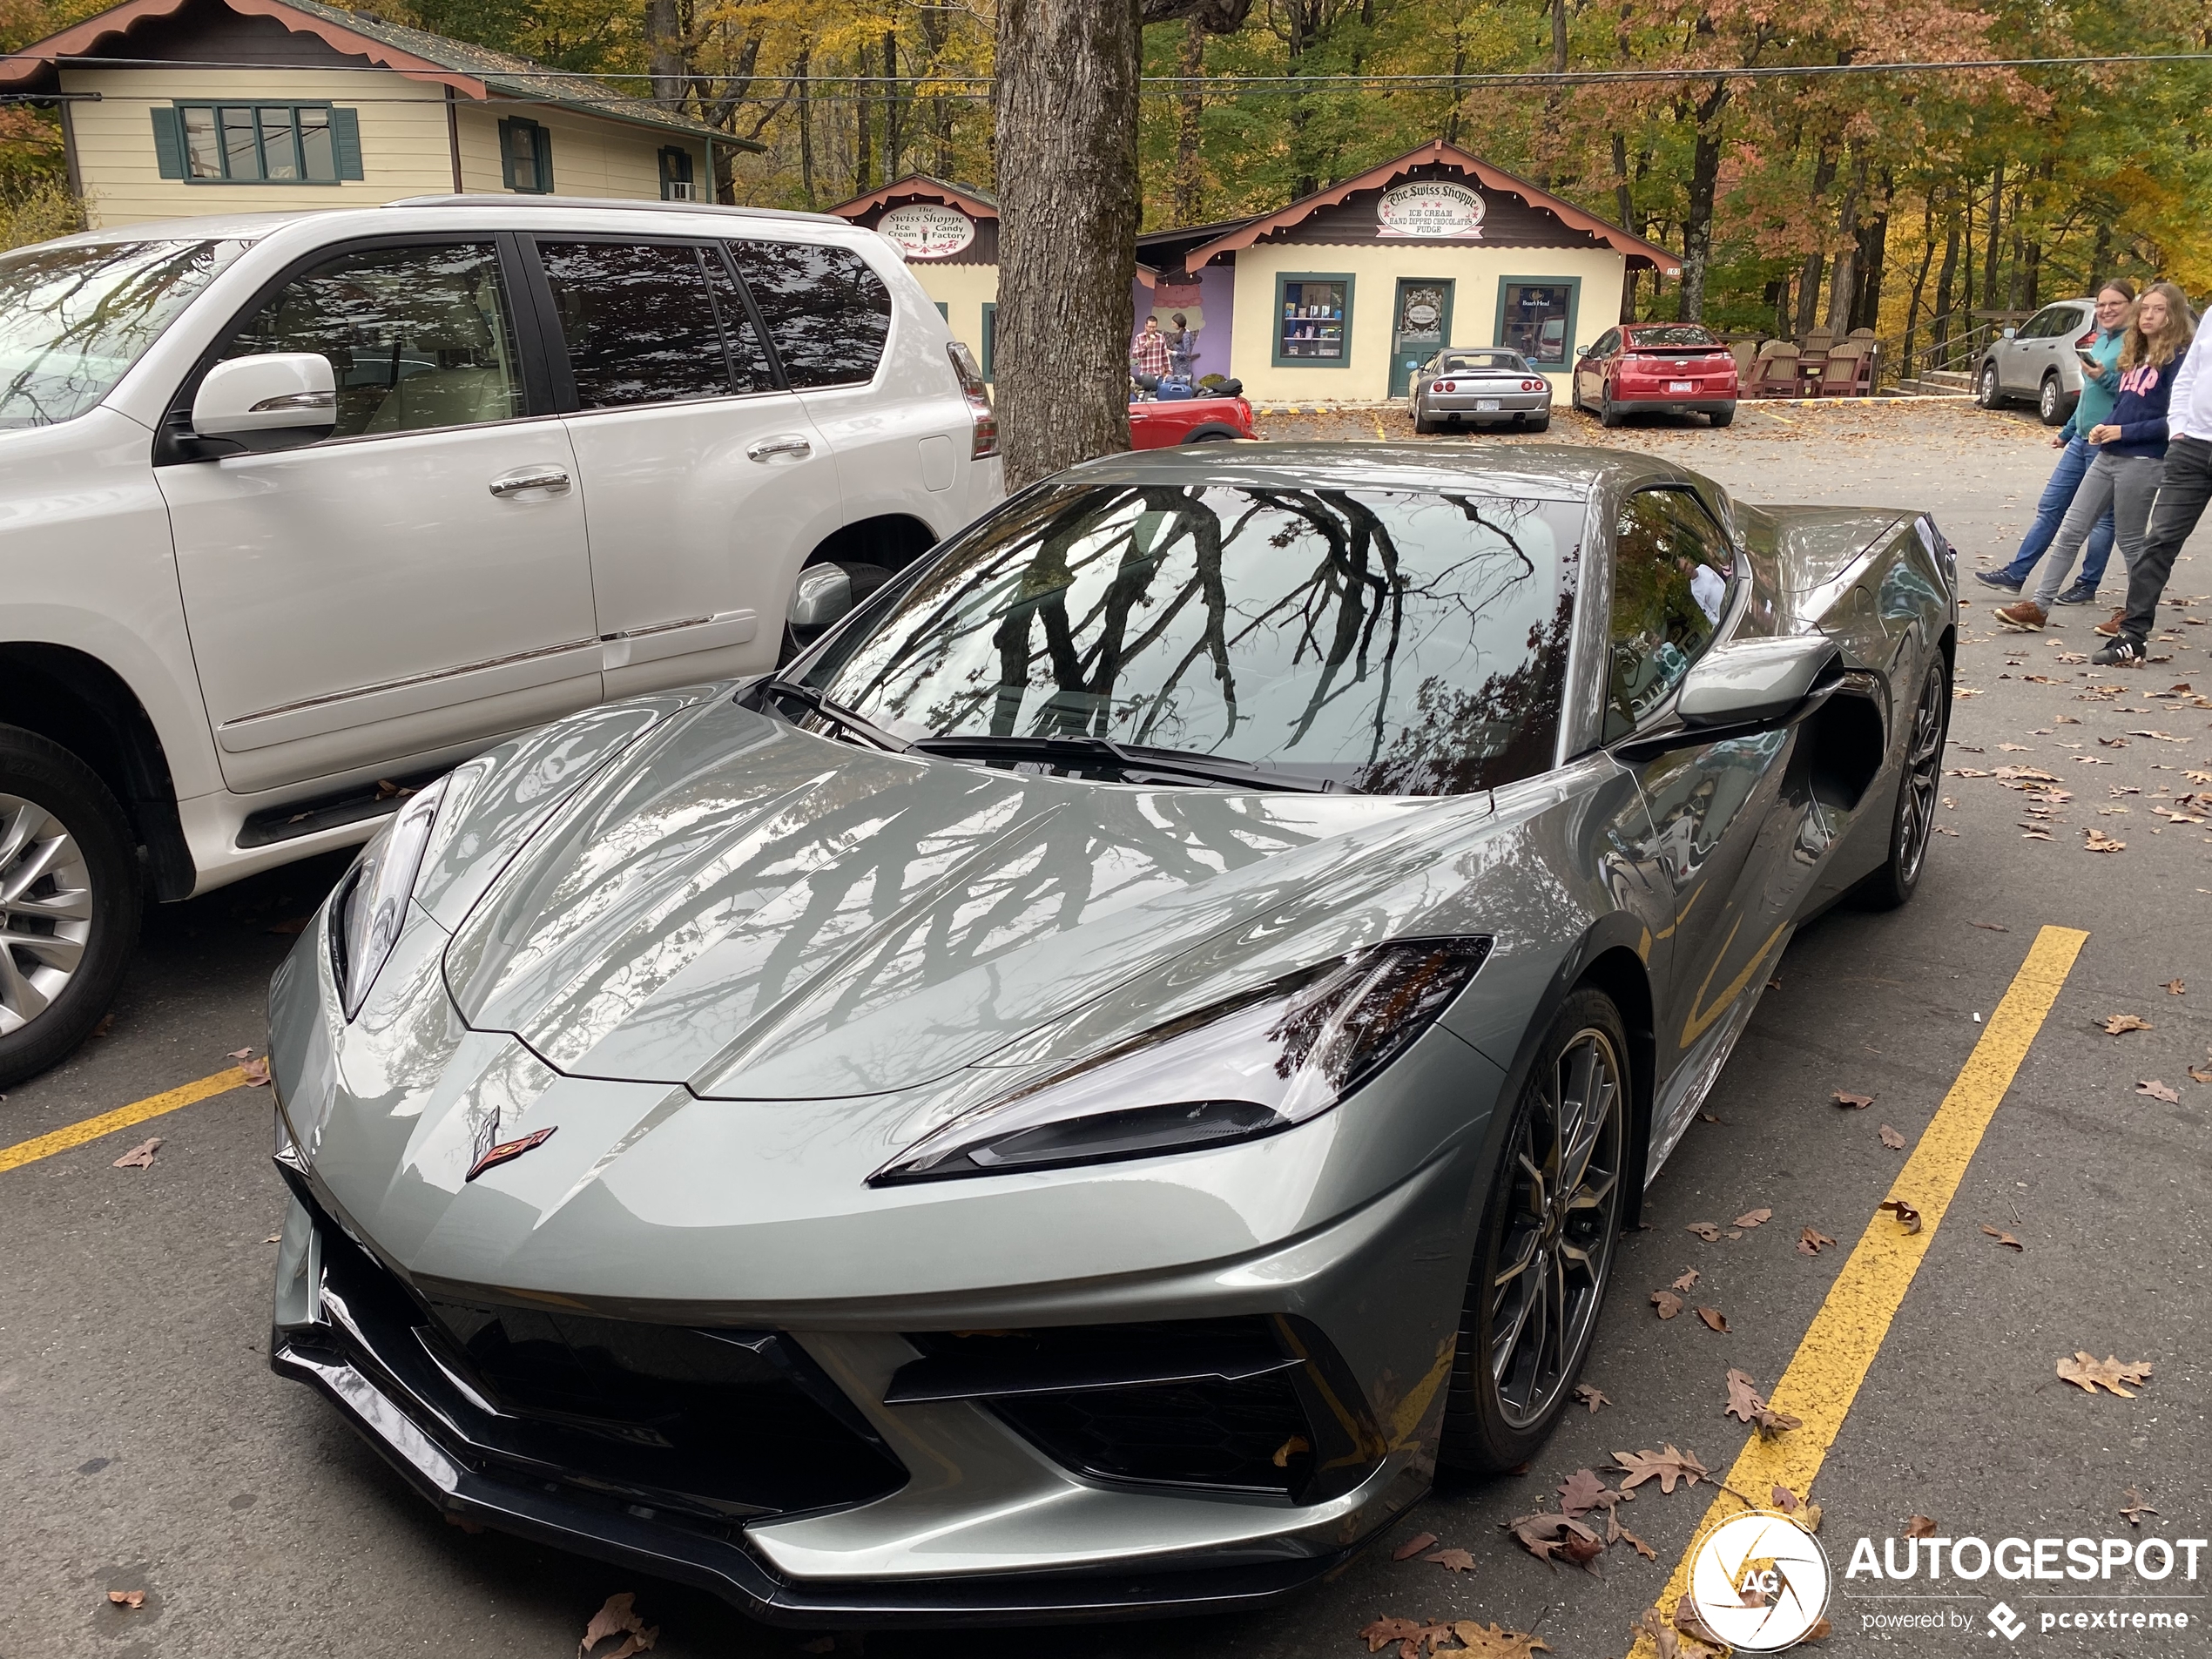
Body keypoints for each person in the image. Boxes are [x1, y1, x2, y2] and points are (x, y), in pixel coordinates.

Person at [1995, 282, 2193, 631]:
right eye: (2145, 308)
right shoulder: (2137, 350)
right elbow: (2125, 403)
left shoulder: (2180, 359)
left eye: (2158, 309)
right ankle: (2039, 607)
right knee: (2072, 529)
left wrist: (2125, 432)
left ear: (2173, 314)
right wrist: (2107, 427)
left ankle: (2135, 615)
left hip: (2144, 461)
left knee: (2131, 540)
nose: (2148, 316)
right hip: (2108, 453)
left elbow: (2178, 420)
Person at [1973, 282, 2134, 602]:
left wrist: (2105, 377)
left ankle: (2087, 585)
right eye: (2101, 305)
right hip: (2081, 439)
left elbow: (2134, 396)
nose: (2106, 310)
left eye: (2114, 304)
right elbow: (2091, 394)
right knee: (2051, 507)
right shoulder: (2101, 339)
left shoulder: (2134, 346)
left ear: (2131, 305)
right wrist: (2069, 429)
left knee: (2102, 520)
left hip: (2109, 441)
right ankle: (2016, 573)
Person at [2094, 284, 2211, 665]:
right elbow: (2190, 377)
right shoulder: (2210, 318)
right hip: (2192, 446)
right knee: (2158, 541)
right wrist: (2179, 427)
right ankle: (2132, 636)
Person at [1130, 315, 1171, 388]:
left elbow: (1165, 356)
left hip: (1158, 375)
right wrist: (1146, 346)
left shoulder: (1160, 338)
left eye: (1154, 327)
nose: (1152, 329)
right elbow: (1134, 355)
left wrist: (1168, 371)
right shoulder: (1139, 337)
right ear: (1146, 326)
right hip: (1145, 375)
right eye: (1150, 327)